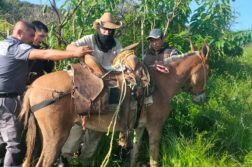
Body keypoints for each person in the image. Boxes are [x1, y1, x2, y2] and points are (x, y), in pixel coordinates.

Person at [0, 20, 92, 167]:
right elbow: (45, 53)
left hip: (10, 97)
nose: (33, 39)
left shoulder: (2, 44)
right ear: (19, 33)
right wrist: (74, 52)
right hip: (8, 100)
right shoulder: (16, 47)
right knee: (14, 146)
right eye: (31, 35)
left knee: (4, 140)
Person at [61, 12, 123, 162]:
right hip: (87, 83)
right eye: (104, 29)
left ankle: (86, 160)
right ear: (99, 27)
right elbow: (70, 46)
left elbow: (120, 60)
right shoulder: (89, 39)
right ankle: (65, 158)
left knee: (99, 125)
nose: (107, 32)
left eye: (110, 30)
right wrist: (79, 51)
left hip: (107, 84)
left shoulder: (116, 44)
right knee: (78, 122)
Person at [143, 28, 177, 101]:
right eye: (152, 41)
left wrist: (164, 65)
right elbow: (143, 69)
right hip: (149, 91)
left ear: (162, 39)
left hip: (167, 90)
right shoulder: (146, 54)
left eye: (156, 40)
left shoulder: (171, 52)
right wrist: (152, 67)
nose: (154, 43)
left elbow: (177, 68)